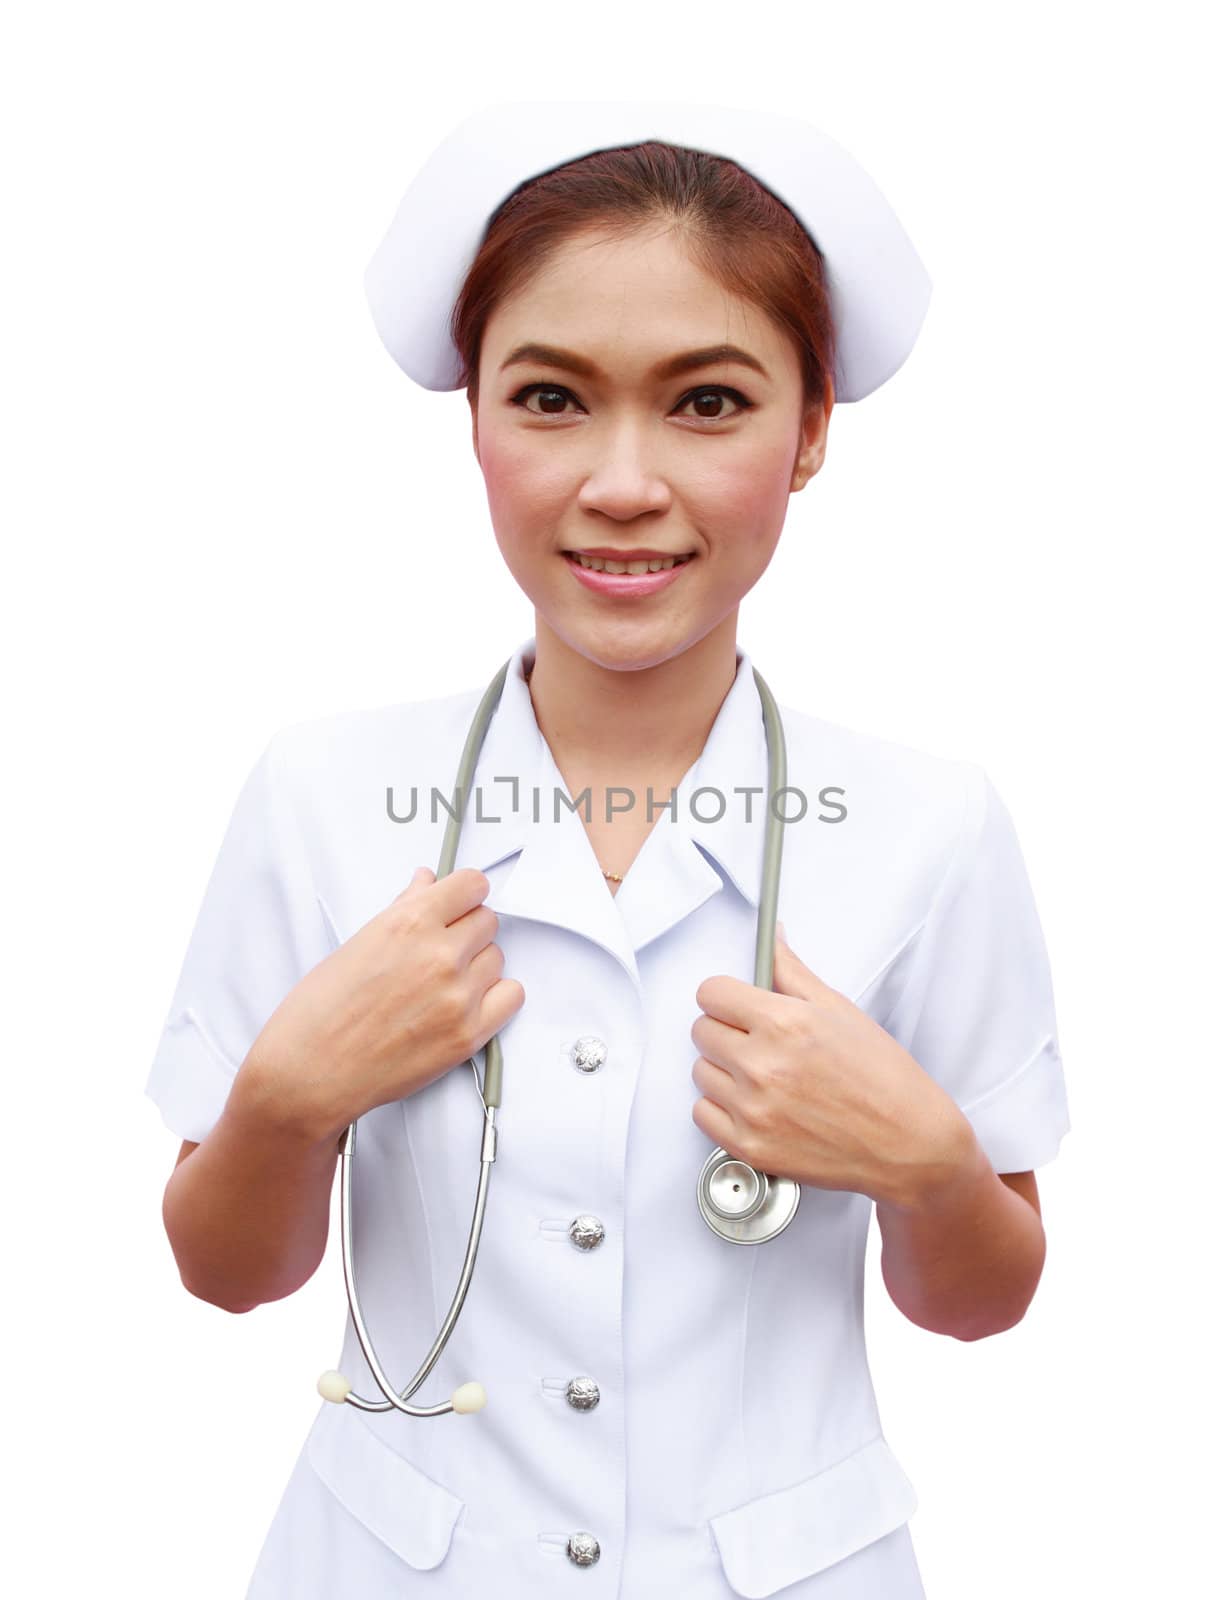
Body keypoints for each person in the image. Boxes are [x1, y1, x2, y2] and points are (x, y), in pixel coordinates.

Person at [146, 101, 1072, 1598]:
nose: (622, 481)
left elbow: (981, 1302)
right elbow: (225, 1270)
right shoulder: (321, 791)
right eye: (550, 398)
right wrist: (285, 1101)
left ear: (812, 427)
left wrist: (928, 1168)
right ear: (475, 422)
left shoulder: (929, 824)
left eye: (706, 403)